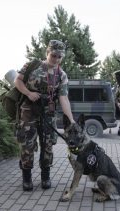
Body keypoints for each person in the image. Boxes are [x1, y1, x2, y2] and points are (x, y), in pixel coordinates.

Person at [14, 40, 75, 191]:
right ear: (47, 53)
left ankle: (45, 177)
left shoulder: (61, 75)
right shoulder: (32, 66)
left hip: (49, 113)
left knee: (48, 145)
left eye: (60, 57)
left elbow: (64, 98)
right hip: (29, 111)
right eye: (53, 55)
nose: (56, 59)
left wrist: (71, 120)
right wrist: (28, 93)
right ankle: (27, 179)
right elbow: (17, 80)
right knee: (27, 145)